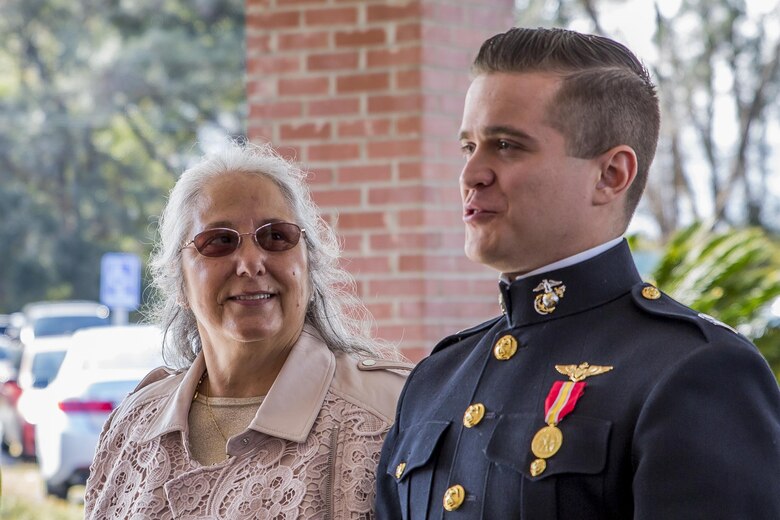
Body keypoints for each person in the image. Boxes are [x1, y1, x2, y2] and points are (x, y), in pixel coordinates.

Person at [375, 27, 780, 519]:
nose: (471, 174)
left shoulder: (695, 372)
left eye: (506, 145)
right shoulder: (437, 378)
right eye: (468, 147)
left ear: (611, 175)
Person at [84, 142, 412, 519]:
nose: (251, 263)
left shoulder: (390, 417)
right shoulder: (131, 427)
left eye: (275, 237)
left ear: (309, 263)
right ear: (179, 281)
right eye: (219, 241)